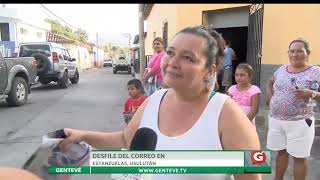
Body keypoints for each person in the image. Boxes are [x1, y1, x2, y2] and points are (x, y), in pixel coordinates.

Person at [60, 26, 261, 180]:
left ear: (210, 69)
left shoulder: (227, 115)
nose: (172, 62)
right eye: (171, 53)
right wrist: (83, 135)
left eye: (188, 58)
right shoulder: (154, 99)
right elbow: (124, 139)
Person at [266, 38, 320, 180]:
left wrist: (311, 93)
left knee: (299, 157)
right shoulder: (281, 69)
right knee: (281, 153)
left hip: (301, 122)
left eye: (299, 51)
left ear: (307, 53)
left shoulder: (315, 72)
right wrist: (270, 97)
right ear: (288, 53)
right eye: (292, 51)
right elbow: (270, 82)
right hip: (276, 121)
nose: (295, 54)